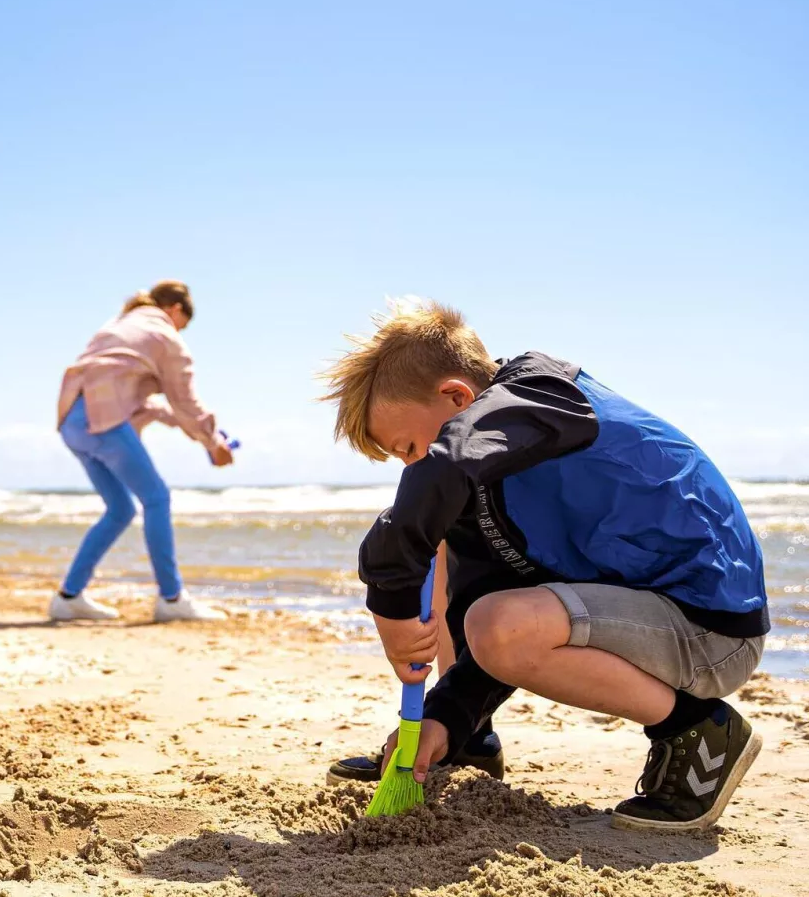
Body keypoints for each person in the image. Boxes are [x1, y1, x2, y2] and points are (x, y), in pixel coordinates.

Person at [320, 297, 768, 832]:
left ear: (458, 398)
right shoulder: (484, 477)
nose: (411, 467)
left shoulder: (545, 396)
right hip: (634, 618)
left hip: (711, 629)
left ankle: (699, 731)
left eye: (411, 447)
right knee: (451, 561)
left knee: (476, 594)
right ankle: (466, 740)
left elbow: (441, 477)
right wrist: (446, 715)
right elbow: (496, 608)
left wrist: (390, 602)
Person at [51, 281, 235, 623]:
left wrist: (199, 434)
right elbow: (185, 402)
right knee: (157, 498)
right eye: (184, 324)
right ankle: (172, 598)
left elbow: (147, 403)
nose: (182, 331)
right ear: (176, 310)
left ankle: (69, 596)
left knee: (120, 509)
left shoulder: (121, 324)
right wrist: (213, 441)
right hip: (101, 419)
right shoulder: (165, 335)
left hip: (71, 421)